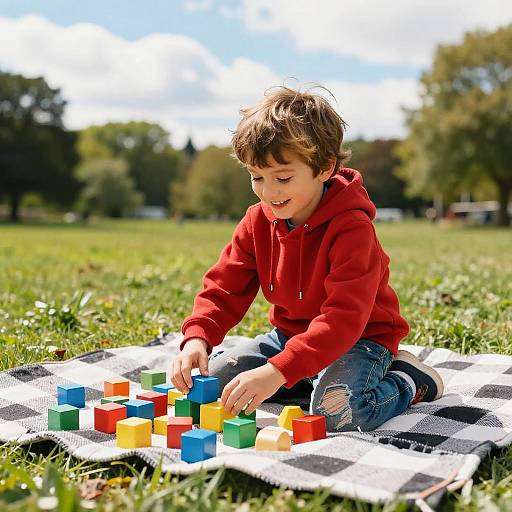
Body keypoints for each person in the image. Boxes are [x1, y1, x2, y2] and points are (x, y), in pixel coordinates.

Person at [171, 85, 444, 432]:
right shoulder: (257, 221)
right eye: (257, 177)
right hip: (289, 337)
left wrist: (277, 371)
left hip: (360, 340)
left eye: (283, 178)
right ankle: (305, 376)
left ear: (325, 168)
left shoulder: (352, 229)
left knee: (337, 413)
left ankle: (407, 380)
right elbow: (224, 286)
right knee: (218, 383)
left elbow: (343, 320)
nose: (269, 192)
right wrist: (198, 336)